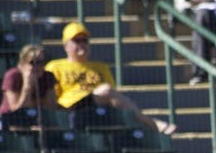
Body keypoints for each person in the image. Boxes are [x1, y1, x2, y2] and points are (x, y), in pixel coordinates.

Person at [45, 22, 176, 135]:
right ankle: (152, 124)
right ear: (65, 45)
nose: (82, 44)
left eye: (85, 40)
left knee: (109, 92)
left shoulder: (100, 67)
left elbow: (113, 93)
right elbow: (50, 96)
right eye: (77, 41)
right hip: (69, 105)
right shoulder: (55, 66)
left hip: (95, 102)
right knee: (106, 90)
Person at [0, 43, 58, 120]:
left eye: (41, 62)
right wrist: (27, 85)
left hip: (37, 120)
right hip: (10, 119)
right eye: (33, 62)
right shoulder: (12, 76)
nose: (38, 66)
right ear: (22, 64)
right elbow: (17, 110)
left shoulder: (48, 76)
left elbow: (51, 107)